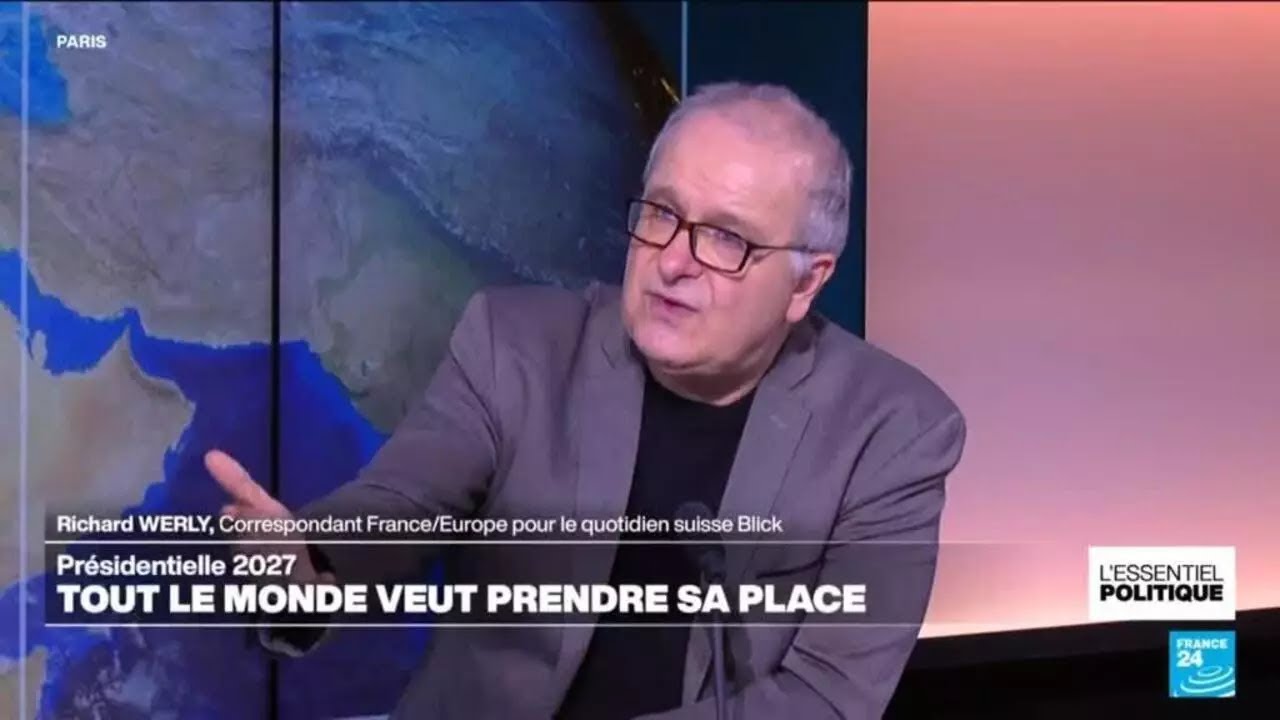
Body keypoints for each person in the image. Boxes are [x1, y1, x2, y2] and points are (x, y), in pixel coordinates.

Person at [208, 82, 966, 719]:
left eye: (726, 239)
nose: (674, 261)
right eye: (662, 213)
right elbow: (403, 501)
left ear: (806, 282)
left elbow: (827, 698)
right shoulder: (517, 347)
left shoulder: (892, 432)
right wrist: (310, 564)